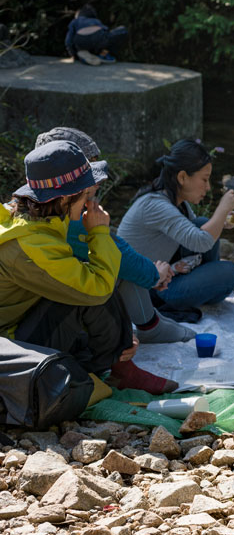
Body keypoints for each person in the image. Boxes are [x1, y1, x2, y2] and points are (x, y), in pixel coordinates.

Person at [1, 141, 177, 396]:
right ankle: (122, 368)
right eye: (86, 196)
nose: (88, 203)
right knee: (95, 285)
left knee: (89, 283)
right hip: (10, 345)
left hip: (18, 323)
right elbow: (97, 291)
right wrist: (99, 233)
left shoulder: (30, 216)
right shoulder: (31, 245)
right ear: (64, 198)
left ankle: (118, 360)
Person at [34, 127, 194, 344]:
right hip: (48, 317)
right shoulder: (66, 214)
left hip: (51, 304)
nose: (97, 181)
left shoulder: (39, 202)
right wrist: (154, 274)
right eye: (89, 171)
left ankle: (148, 323)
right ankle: (148, 327)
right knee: (120, 269)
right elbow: (118, 255)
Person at [117, 139, 234, 315]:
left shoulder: (174, 200)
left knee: (201, 223)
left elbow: (195, 234)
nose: (208, 187)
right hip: (149, 290)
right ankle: (207, 286)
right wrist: (221, 210)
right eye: (204, 180)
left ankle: (207, 285)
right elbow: (201, 242)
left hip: (165, 275)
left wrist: (222, 220)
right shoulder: (155, 205)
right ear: (182, 177)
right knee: (229, 272)